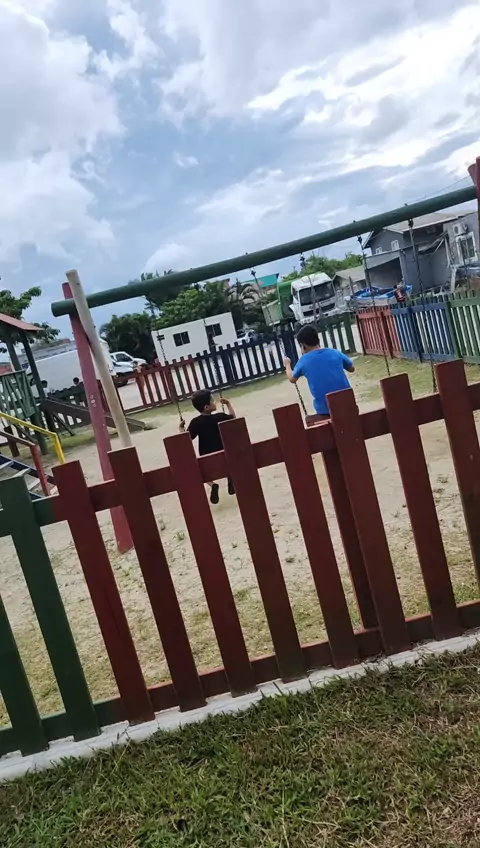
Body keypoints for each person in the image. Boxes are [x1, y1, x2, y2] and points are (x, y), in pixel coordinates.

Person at [284, 324, 355, 419]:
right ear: (318, 340)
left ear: (303, 346)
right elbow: (351, 369)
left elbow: (292, 379)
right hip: (348, 404)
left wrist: (287, 364)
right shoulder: (334, 352)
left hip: (325, 410)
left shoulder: (304, 360)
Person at [180, 388, 236, 504]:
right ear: (206, 407)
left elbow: (186, 439)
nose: (215, 402)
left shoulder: (195, 422)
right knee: (229, 465)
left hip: (205, 456)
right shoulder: (219, 417)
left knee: (202, 473)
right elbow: (233, 418)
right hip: (222, 452)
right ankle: (230, 478)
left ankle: (212, 485)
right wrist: (228, 404)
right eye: (212, 401)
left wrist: (181, 428)